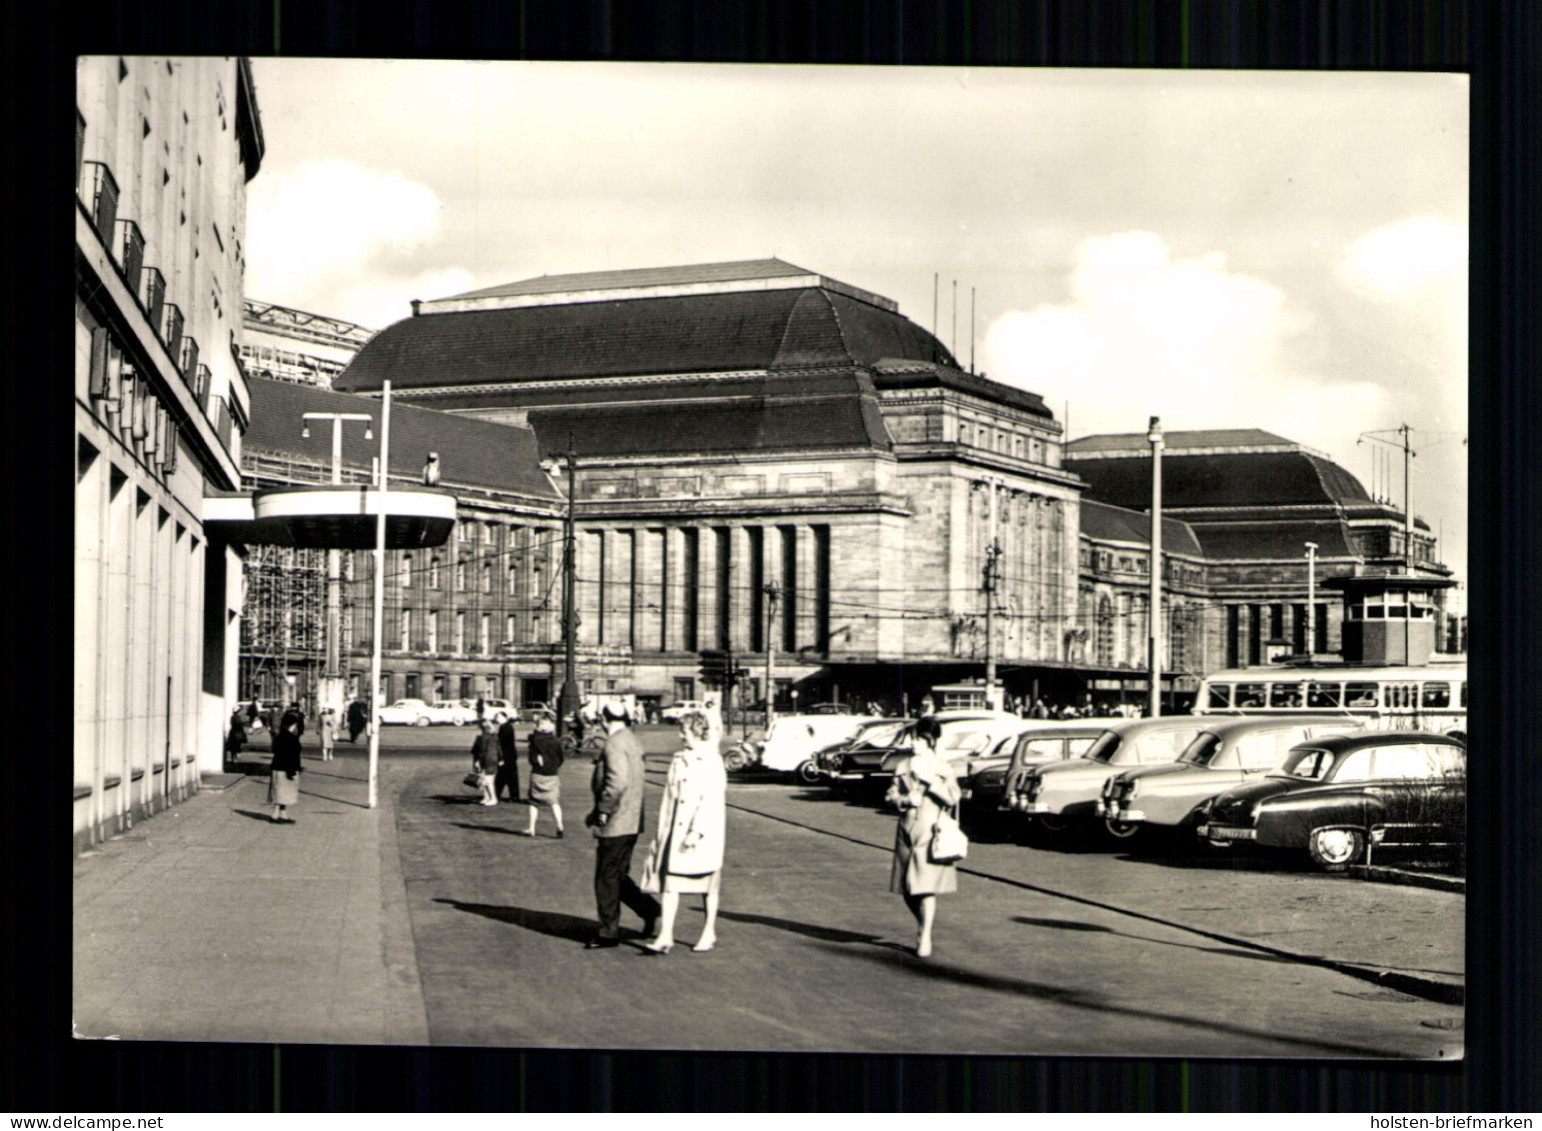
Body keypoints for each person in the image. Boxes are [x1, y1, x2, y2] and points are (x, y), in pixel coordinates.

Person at [638, 711, 728, 954]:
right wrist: (661, 835)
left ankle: (708, 931)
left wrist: (697, 831)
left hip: (702, 834)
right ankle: (665, 936)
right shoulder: (678, 759)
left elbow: (712, 800)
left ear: (697, 732)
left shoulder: (712, 760)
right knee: (670, 884)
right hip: (675, 830)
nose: (680, 736)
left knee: (708, 886)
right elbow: (669, 800)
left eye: (684, 732)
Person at [583, 698, 661, 949]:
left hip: (616, 820)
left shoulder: (614, 744)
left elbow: (617, 782)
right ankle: (649, 909)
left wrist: (604, 809)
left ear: (604, 720)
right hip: (632, 818)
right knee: (617, 875)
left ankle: (608, 932)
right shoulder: (632, 739)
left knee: (606, 878)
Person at [884, 714, 961, 958]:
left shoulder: (942, 768)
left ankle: (925, 935)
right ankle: (922, 923)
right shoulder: (903, 766)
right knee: (907, 888)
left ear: (929, 741)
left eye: (917, 739)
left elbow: (953, 797)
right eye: (913, 739)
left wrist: (933, 784)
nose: (913, 743)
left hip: (930, 831)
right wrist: (905, 800)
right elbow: (890, 796)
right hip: (906, 831)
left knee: (925, 887)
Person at [522, 714, 565, 838]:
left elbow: (531, 759)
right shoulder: (556, 741)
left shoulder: (535, 741)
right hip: (552, 774)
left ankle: (531, 828)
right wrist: (553, 766)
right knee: (554, 802)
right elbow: (561, 759)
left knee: (533, 802)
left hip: (538, 774)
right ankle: (559, 825)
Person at [268, 706, 304, 823]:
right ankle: (275, 814)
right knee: (282, 792)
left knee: (280, 791)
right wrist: (292, 770)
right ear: (292, 725)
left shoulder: (279, 736)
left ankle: (283, 814)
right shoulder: (291, 738)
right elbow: (291, 756)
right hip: (286, 769)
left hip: (278, 767)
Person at [471, 719, 500, 806]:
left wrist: (477, 761)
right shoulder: (495, 736)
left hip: (486, 760)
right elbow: (499, 749)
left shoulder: (483, 737)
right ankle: (487, 797)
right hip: (494, 759)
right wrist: (501, 759)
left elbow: (481, 751)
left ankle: (493, 798)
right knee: (489, 779)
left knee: (487, 780)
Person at [495, 713, 521, 803]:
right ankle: (514, 795)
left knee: (502, 776)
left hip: (506, 755)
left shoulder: (504, 727)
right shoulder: (508, 726)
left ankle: (496, 794)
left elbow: (502, 742)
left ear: (503, 717)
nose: (497, 719)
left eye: (498, 717)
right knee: (511, 777)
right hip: (511, 755)